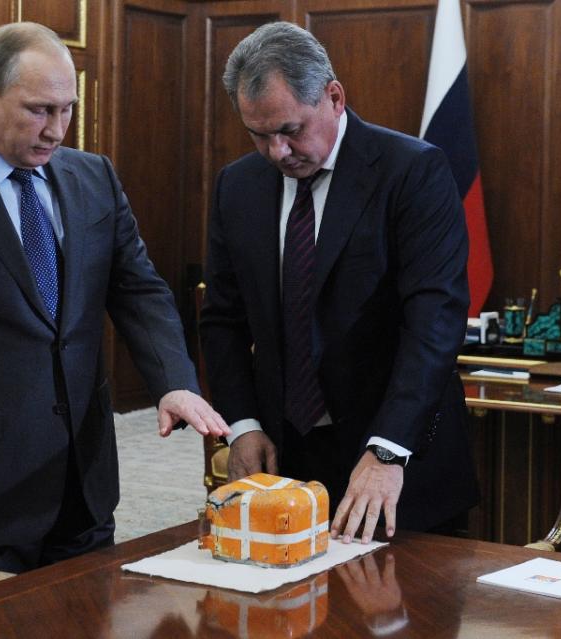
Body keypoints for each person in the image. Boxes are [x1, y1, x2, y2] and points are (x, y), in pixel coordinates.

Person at [0, 22, 229, 574]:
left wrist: (173, 380)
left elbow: (138, 290)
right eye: (38, 110)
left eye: (67, 109)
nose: (57, 130)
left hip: (84, 478)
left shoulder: (94, 176)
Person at [199, 22, 478, 545]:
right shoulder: (237, 185)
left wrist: (389, 449)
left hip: (396, 454)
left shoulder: (411, 171)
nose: (277, 152)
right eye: (259, 134)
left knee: (403, 617)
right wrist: (244, 423)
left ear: (334, 97)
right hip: (286, 456)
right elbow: (223, 317)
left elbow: (433, 324)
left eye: (290, 129)